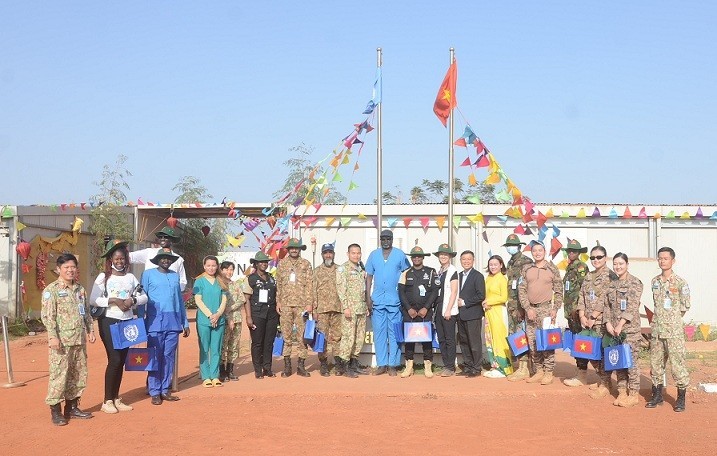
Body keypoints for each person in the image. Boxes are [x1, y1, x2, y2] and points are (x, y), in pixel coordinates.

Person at [90, 240, 148, 414]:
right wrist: (114, 300)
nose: (119, 261)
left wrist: (133, 300)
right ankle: (107, 400)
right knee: (114, 359)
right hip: (109, 321)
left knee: (122, 360)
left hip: (127, 322)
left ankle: (116, 398)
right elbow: (94, 299)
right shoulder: (103, 277)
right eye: (116, 259)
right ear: (110, 260)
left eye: (122, 258)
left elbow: (144, 297)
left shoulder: (131, 277)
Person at [41, 253, 96, 426]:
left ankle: (72, 407)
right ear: (58, 269)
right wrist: (52, 336)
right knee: (59, 375)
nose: (70, 270)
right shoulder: (52, 290)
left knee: (78, 374)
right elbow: (48, 316)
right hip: (61, 342)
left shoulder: (80, 289)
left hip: (79, 340)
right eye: (66, 268)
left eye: (73, 267)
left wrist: (90, 330)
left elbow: (85, 312)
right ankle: (56, 411)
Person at [139, 249, 190, 405]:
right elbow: (142, 298)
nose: (166, 261)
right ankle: (154, 391)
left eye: (168, 259)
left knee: (168, 357)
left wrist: (185, 322)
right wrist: (140, 321)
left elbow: (179, 301)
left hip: (173, 322)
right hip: (154, 322)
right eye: (163, 258)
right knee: (154, 357)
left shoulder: (175, 276)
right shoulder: (148, 274)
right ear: (158, 260)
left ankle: (165, 389)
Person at [646, 247, 691, 412]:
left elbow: (685, 306)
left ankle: (680, 398)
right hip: (657, 330)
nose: (662, 261)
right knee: (656, 363)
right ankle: (656, 395)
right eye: (660, 258)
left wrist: (670, 319)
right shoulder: (655, 281)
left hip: (673, 332)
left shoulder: (680, 282)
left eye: (665, 258)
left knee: (677, 364)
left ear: (673, 261)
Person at [518, 241, 563, 385]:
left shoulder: (552, 268)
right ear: (531, 252)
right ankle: (538, 370)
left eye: (540, 250)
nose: (537, 253)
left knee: (547, 342)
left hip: (546, 310)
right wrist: (527, 308)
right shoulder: (526, 268)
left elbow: (558, 290)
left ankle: (549, 371)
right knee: (532, 342)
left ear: (545, 251)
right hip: (530, 310)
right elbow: (522, 290)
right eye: (535, 250)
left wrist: (555, 308)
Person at [366, 230, 410, 376]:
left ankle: (393, 364)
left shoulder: (399, 255)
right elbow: (369, 277)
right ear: (380, 240)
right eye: (383, 239)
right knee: (379, 334)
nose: (386, 241)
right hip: (377, 301)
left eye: (388, 239)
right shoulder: (373, 255)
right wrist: (368, 298)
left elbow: (406, 275)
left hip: (395, 301)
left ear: (392, 240)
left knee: (394, 333)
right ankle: (382, 364)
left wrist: (405, 298)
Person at [577, 245, 618, 399]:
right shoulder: (589, 275)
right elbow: (581, 295)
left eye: (599, 257)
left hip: (601, 321)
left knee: (601, 353)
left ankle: (606, 384)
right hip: (587, 321)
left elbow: (606, 299)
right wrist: (582, 315)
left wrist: (593, 316)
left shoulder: (611, 276)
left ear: (605, 258)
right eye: (592, 257)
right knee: (590, 352)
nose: (595, 260)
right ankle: (603, 380)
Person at [604, 252, 643, 407]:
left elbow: (633, 306)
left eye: (621, 264)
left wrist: (620, 324)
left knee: (631, 362)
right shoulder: (612, 284)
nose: (618, 267)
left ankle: (633, 394)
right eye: (615, 264)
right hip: (614, 330)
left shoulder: (635, 282)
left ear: (627, 265)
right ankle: (622, 391)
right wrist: (607, 323)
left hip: (629, 330)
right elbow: (607, 306)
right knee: (618, 361)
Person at [397, 246, 439, 378]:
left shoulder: (431, 272)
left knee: (426, 339)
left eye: (419, 256)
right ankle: (409, 366)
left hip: (425, 312)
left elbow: (434, 292)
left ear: (423, 257)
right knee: (409, 340)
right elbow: (401, 292)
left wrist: (426, 307)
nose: (416, 258)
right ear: (411, 258)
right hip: (409, 312)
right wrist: (409, 308)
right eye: (414, 256)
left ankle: (428, 365)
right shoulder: (405, 273)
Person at [276, 238, 314, 377]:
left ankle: (301, 366)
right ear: (288, 249)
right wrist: (278, 301)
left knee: (302, 337)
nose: (294, 250)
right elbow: (278, 284)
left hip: (302, 305)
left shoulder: (306, 264)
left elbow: (310, 284)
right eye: (291, 248)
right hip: (285, 305)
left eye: (296, 248)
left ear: (299, 249)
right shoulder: (282, 264)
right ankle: (287, 367)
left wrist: (309, 303)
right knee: (286, 337)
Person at [242, 252, 279, 379]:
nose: (264, 264)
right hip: (257, 314)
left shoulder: (272, 278)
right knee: (257, 342)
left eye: (266, 262)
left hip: (272, 314)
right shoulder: (250, 278)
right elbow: (246, 299)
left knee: (269, 342)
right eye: (261, 262)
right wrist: (248, 317)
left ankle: (267, 368)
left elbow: (276, 295)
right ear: (256, 264)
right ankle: (258, 369)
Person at [503, 234, 534, 382]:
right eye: (508, 245)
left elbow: (528, 286)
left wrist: (523, 307)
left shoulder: (526, 262)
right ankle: (522, 367)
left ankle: (525, 368)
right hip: (512, 306)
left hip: (521, 306)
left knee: (523, 335)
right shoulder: (510, 262)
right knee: (516, 335)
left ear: (519, 246)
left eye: (512, 245)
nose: (510, 248)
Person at [336, 244, 369, 378]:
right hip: (350, 309)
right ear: (348, 254)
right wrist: (345, 307)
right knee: (348, 338)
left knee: (359, 338)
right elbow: (341, 290)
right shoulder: (343, 269)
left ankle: (354, 364)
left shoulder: (361, 269)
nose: (356, 255)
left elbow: (363, 290)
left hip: (360, 308)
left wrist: (366, 306)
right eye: (353, 253)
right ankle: (344, 366)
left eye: (358, 253)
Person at [194, 256, 227, 387]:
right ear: (204, 266)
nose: (211, 268)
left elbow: (224, 300)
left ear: (217, 266)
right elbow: (198, 300)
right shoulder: (199, 281)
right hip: (204, 320)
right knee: (204, 348)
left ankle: (215, 375)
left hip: (219, 320)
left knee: (216, 349)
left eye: (213, 265)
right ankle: (206, 376)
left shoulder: (221, 281)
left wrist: (218, 314)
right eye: (208, 265)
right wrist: (210, 315)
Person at [561, 240, 590, 387]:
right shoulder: (569, 268)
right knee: (576, 343)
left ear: (579, 253)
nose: (571, 253)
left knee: (582, 343)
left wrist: (579, 310)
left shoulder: (581, 267)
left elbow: (584, 290)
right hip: (570, 314)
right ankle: (580, 372)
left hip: (578, 313)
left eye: (574, 251)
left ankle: (583, 374)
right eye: (569, 250)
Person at [313, 243, 342, 377]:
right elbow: (313, 291)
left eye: (330, 252)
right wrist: (314, 309)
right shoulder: (317, 271)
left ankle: (338, 362)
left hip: (337, 309)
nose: (328, 255)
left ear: (334, 254)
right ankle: (323, 363)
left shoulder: (340, 270)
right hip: (322, 310)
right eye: (326, 253)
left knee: (337, 337)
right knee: (322, 338)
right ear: (322, 255)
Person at [482, 255, 513, 378]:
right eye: (491, 264)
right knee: (490, 339)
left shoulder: (502, 279)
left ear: (501, 265)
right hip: (488, 312)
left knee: (499, 339)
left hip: (498, 311)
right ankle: (494, 365)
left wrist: (489, 301)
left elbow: (504, 297)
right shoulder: (488, 278)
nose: (493, 267)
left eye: (495, 264)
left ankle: (504, 368)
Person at [456, 250, 486, 378]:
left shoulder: (478, 276)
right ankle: (468, 366)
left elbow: (481, 295)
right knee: (464, 341)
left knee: (474, 342)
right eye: (464, 259)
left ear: (473, 261)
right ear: (460, 261)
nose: (466, 261)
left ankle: (476, 367)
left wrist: (465, 302)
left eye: (469, 259)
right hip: (460, 314)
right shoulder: (458, 275)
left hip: (473, 314)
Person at [130, 226, 187, 291]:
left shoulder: (178, 259)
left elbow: (182, 281)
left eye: (166, 237)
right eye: (160, 237)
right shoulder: (149, 252)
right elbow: (129, 257)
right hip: (149, 297)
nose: (162, 239)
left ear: (172, 240)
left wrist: (173, 292)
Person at [433, 244, 459, 377]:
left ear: (450, 257)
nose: (443, 256)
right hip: (438, 308)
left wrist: (448, 309)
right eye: (441, 254)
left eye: (446, 254)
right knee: (441, 338)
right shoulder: (440, 271)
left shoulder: (452, 271)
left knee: (449, 339)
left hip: (448, 309)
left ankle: (450, 367)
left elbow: (454, 291)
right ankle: (445, 365)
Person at [220, 261, 246, 382]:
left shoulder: (235, 285)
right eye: (226, 269)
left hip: (236, 319)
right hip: (222, 319)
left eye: (231, 270)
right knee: (222, 345)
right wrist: (225, 311)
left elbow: (242, 299)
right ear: (221, 270)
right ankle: (222, 371)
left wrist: (230, 308)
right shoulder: (218, 284)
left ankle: (230, 370)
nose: (229, 272)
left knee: (234, 345)